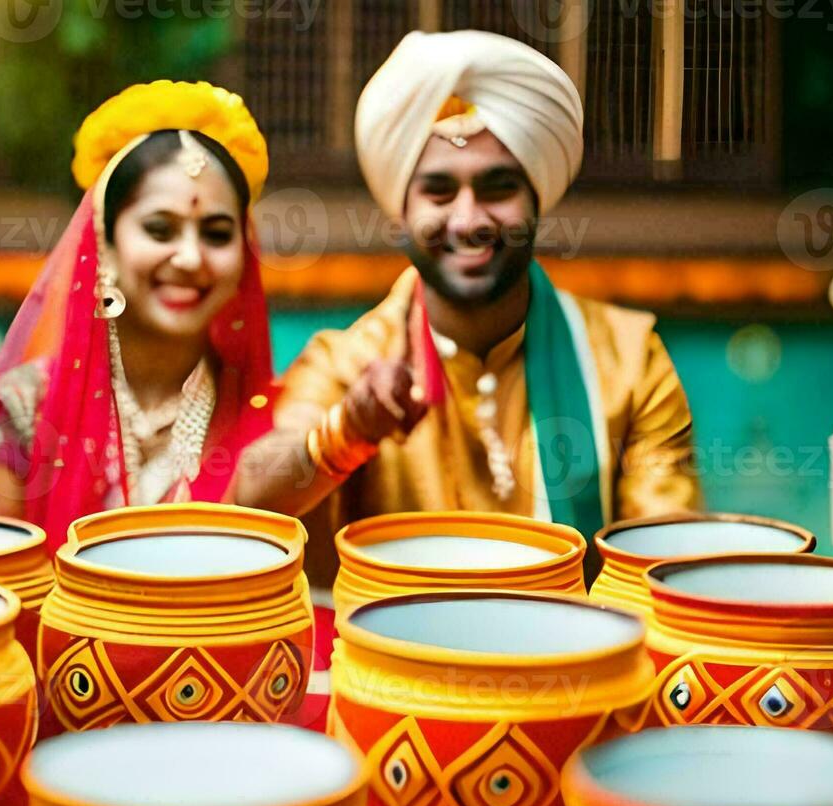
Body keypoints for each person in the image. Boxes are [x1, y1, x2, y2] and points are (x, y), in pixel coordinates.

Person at [234, 31, 700, 556]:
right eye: (439, 191)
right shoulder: (345, 364)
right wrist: (350, 427)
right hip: (394, 641)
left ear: (536, 201)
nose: (469, 219)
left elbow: (664, 564)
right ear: (402, 213)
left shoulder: (631, 361)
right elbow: (250, 503)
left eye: (498, 188)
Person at [0, 81, 275, 550]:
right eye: (159, 228)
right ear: (105, 242)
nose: (190, 257)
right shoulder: (20, 418)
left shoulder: (270, 416)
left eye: (217, 233)